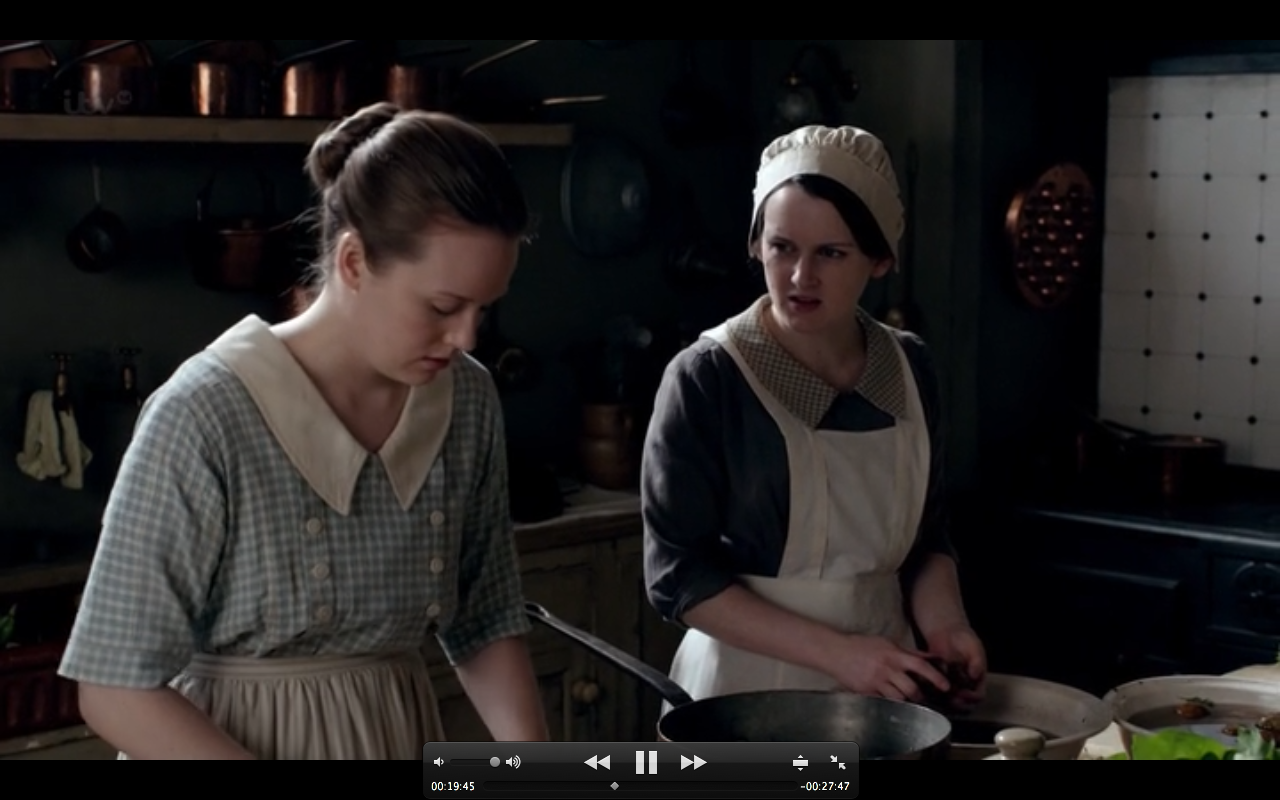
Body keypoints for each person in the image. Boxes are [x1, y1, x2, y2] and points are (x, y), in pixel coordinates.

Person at [57, 102, 550, 759]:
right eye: (442, 307)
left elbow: (484, 619)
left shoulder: (467, 400)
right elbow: (113, 688)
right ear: (353, 262)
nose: (465, 337)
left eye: (482, 310)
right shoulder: (206, 412)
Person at [641, 125, 987, 709]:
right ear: (756, 245)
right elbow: (678, 575)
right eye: (782, 247)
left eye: (831, 253)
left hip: (885, 682)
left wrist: (948, 626)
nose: (801, 277)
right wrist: (840, 654)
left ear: (879, 259)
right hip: (742, 694)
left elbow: (926, 540)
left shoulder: (910, 368)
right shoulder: (709, 377)